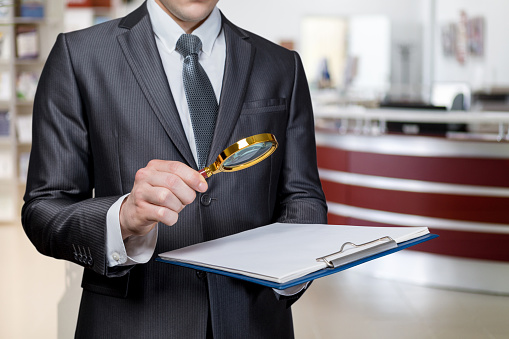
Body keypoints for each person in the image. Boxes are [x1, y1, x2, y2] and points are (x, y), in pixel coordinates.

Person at [21, 0, 327, 337]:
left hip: (254, 321)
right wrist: (121, 218)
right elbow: (44, 209)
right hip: (132, 323)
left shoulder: (282, 65)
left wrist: (286, 274)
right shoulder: (79, 56)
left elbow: (303, 197)